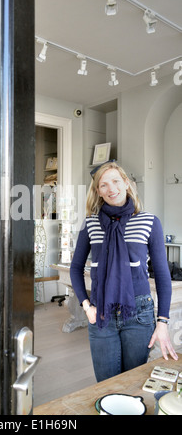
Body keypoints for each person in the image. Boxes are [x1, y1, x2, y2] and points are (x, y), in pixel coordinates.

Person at [70, 161, 178, 382]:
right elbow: (76, 268)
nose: (112, 189)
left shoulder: (149, 222)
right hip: (100, 313)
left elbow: (162, 275)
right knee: (106, 385)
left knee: (132, 384)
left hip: (139, 313)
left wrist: (163, 322)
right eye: (104, 185)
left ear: (126, 183)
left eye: (116, 181)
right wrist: (86, 306)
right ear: (98, 191)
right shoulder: (90, 224)